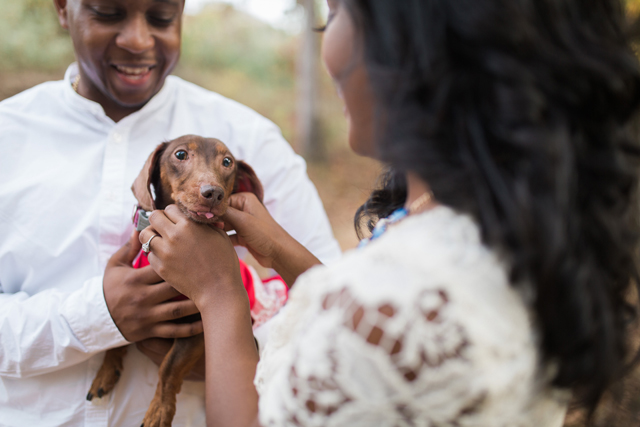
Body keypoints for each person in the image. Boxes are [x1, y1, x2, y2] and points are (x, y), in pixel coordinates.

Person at [139, 0, 640, 425]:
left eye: (334, 14)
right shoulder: (514, 230)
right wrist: (278, 249)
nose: (325, 43)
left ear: (413, 37)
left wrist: (220, 292)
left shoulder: (389, 303)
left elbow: (364, 325)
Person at [0, 0, 341, 425]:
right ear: (64, 9)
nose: (139, 40)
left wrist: (236, 351)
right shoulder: (7, 133)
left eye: (162, 17)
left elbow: (332, 314)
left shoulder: (255, 138)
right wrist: (98, 316)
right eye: (108, 12)